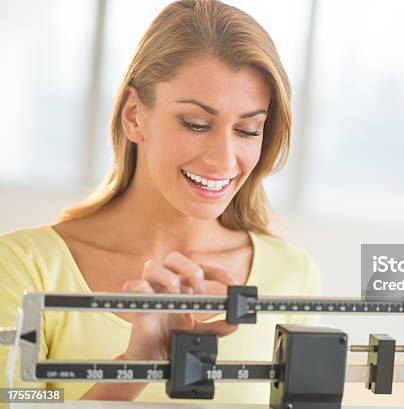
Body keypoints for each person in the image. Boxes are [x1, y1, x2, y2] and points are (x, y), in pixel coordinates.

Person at [0, 0, 320, 403]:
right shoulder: (22, 269)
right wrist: (134, 367)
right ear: (134, 115)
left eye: (248, 129)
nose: (224, 159)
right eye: (196, 124)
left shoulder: (294, 275)